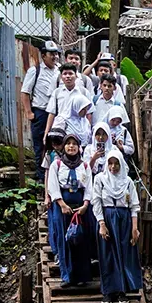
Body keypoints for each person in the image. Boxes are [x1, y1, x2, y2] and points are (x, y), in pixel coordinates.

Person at [91, 150, 142, 303]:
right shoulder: (100, 179)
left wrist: (134, 228)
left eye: (116, 163)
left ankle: (122, 291)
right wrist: (101, 224)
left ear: (121, 163)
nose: (113, 167)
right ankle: (108, 292)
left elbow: (134, 205)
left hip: (124, 220)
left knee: (123, 254)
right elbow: (96, 201)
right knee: (107, 256)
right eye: (110, 163)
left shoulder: (127, 181)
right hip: (107, 218)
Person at [46, 131, 96, 286]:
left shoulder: (85, 166)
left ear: (79, 147)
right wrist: (61, 204)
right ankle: (67, 276)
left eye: (74, 144)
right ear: (64, 147)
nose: (71, 147)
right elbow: (52, 186)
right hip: (63, 208)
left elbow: (89, 187)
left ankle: (82, 277)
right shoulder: (57, 164)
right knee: (65, 239)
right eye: (68, 143)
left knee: (81, 239)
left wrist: (85, 205)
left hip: (81, 208)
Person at [19, 40, 61, 182]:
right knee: (40, 145)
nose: (55, 57)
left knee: (57, 144)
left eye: (56, 54)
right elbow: (25, 92)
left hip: (57, 114)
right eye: (51, 54)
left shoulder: (60, 71)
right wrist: (29, 113)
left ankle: (56, 176)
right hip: (41, 112)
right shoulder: (35, 71)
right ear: (43, 55)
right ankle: (41, 177)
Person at [44, 63, 91, 136]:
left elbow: (89, 113)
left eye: (70, 73)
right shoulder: (57, 92)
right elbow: (51, 113)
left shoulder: (83, 92)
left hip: (79, 129)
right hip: (60, 128)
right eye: (65, 74)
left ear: (76, 76)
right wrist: (46, 132)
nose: (68, 76)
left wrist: (88, 131)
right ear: (61, 77)